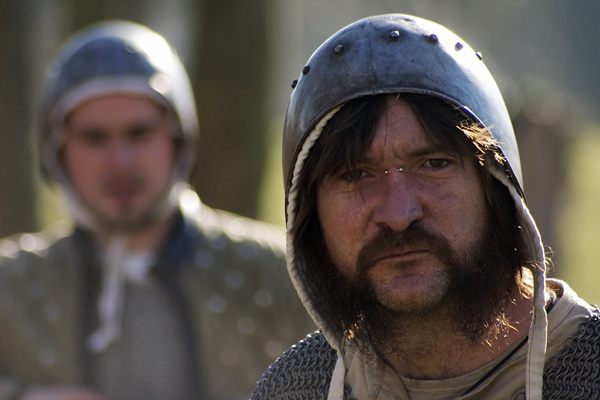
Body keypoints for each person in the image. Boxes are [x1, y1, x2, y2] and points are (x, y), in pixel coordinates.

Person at [252, 13, 600, 400]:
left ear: (496, 190)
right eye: (355, 175)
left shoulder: (589, 371)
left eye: (434, 164)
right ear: (310, 215)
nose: (399, 215)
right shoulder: (293, 389)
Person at [0, 20, 313, 400]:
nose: (120, 162)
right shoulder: (11, 289)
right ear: (57, 152)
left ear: (178, 137)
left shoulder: (284, 275)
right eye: (93, 138)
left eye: (140, 132)